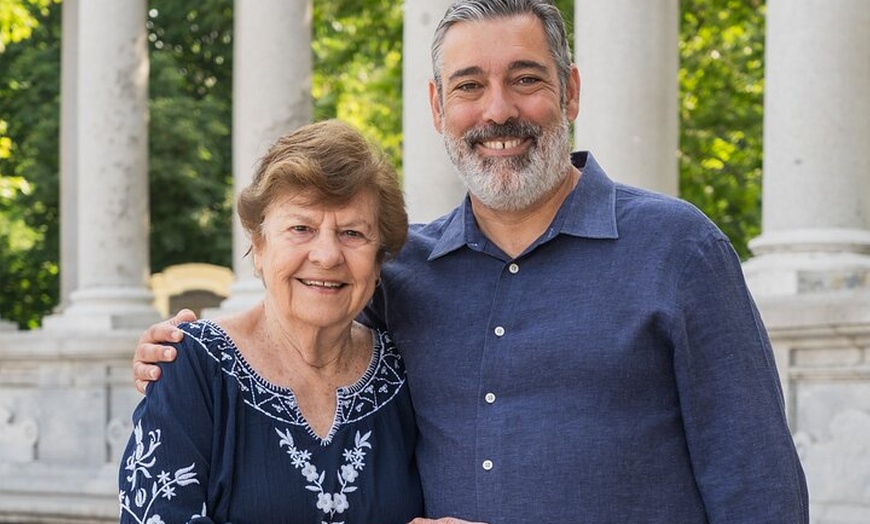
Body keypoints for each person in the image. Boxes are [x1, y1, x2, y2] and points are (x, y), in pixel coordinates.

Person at [133, 1, 810, 522]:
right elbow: (301, 309)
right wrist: (187, 353)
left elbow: (760, 492)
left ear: (570, 91)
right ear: (437, 106)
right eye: (468, 86)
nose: (498, 110)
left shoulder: (679, 251)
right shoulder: (402, 273)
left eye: (525, 79)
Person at [118, 119, 424, 523]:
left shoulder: (401, 371)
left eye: (352, 233)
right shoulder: (192, 364)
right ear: (258, 246)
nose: (327, 255)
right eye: (301, 228)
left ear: (380, 258)